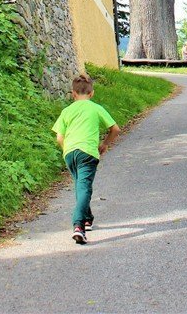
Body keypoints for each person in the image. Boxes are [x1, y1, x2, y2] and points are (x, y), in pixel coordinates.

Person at [52, 72, 119, 245]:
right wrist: (104, 144)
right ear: (92, 93)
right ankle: (78, 226)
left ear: (73, 94)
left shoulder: (66, 111)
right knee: (85, 188)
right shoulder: (96, 108)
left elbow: (59, 137)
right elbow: (115, 129)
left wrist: (68, 148)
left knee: (80, 185)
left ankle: (87, 219)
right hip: (88, 152)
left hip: (70, 153)